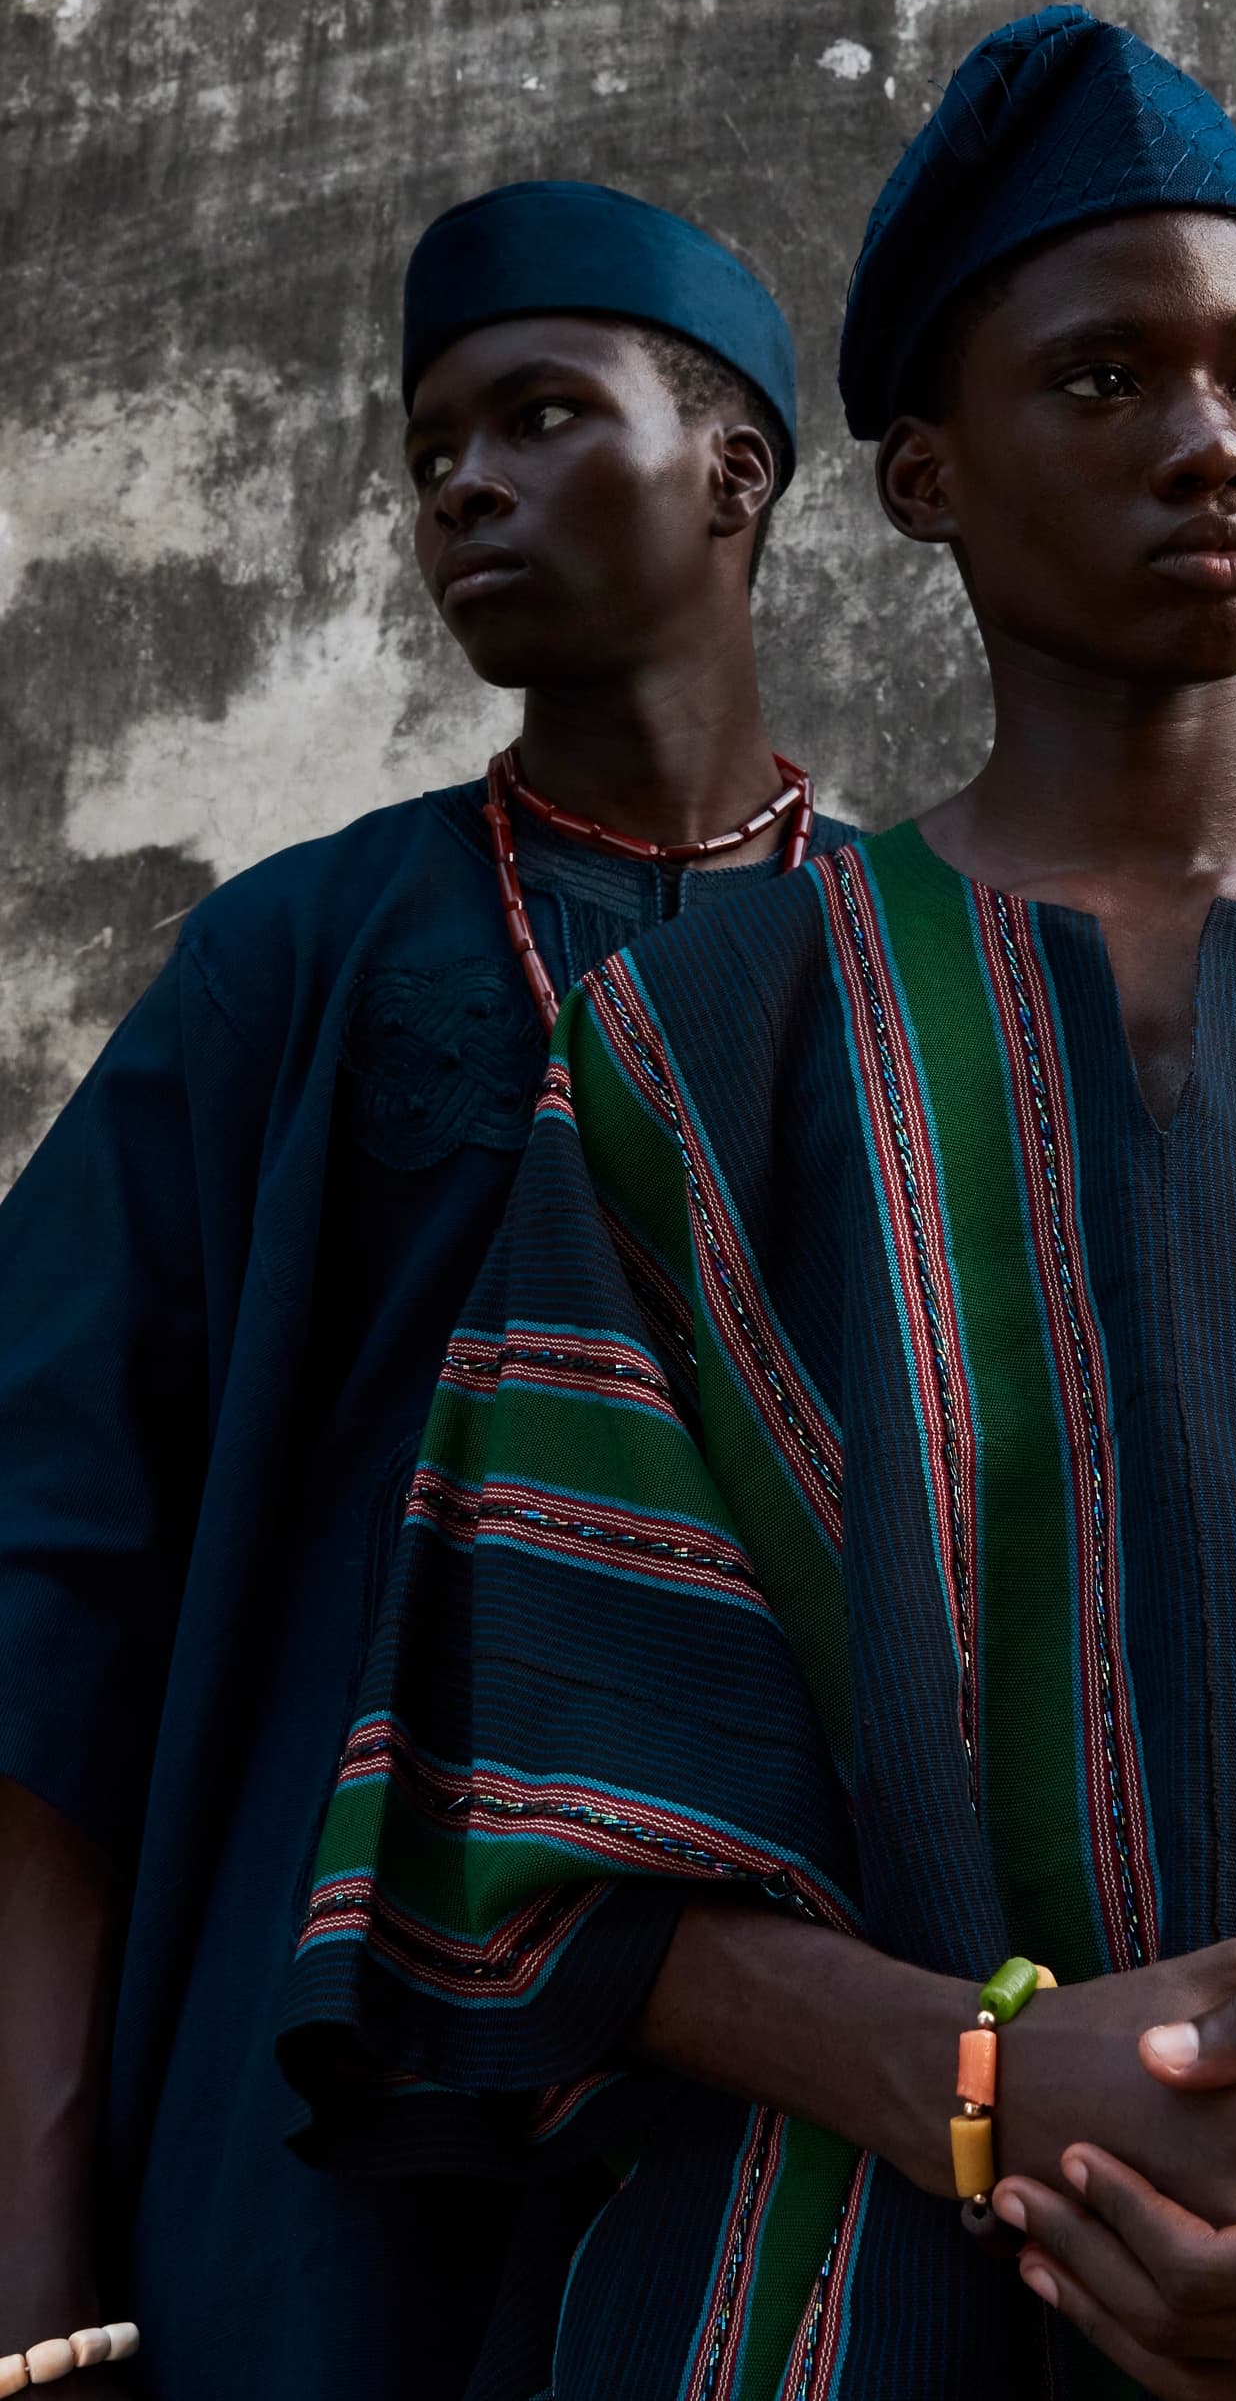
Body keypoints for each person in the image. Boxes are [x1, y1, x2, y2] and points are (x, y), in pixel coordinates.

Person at [279, 12, 1236, 2398]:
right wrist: (971, 2082)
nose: (1205, 440)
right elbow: (532, 1804)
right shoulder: (697, 1051)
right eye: (1106, 376)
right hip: (837, 2310)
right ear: (922, 473)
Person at [0, 176, 855, 2401]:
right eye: (430, 453)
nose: (463, 481)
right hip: (328, 2087)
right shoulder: (299, 956)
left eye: (542, 415)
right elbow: (45, 1595)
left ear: (734, 472)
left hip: (831, 2078)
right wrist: (36, 2239)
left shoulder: (942, 962)